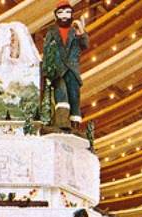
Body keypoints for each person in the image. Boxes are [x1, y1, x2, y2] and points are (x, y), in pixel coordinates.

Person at [44, 0, 89, 129]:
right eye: (61, 12)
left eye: (68, 12)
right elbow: (47, 51)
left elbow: (85, 45)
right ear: (56, 15)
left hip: (72, 70)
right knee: (61, 92)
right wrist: (47, 71)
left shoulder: (75, 32)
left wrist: (81, 30)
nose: (64, 15)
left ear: (71, 14)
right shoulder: (51, 31)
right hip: (57, 70)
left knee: (74, 97)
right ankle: (62, 123)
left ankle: (75, 126)